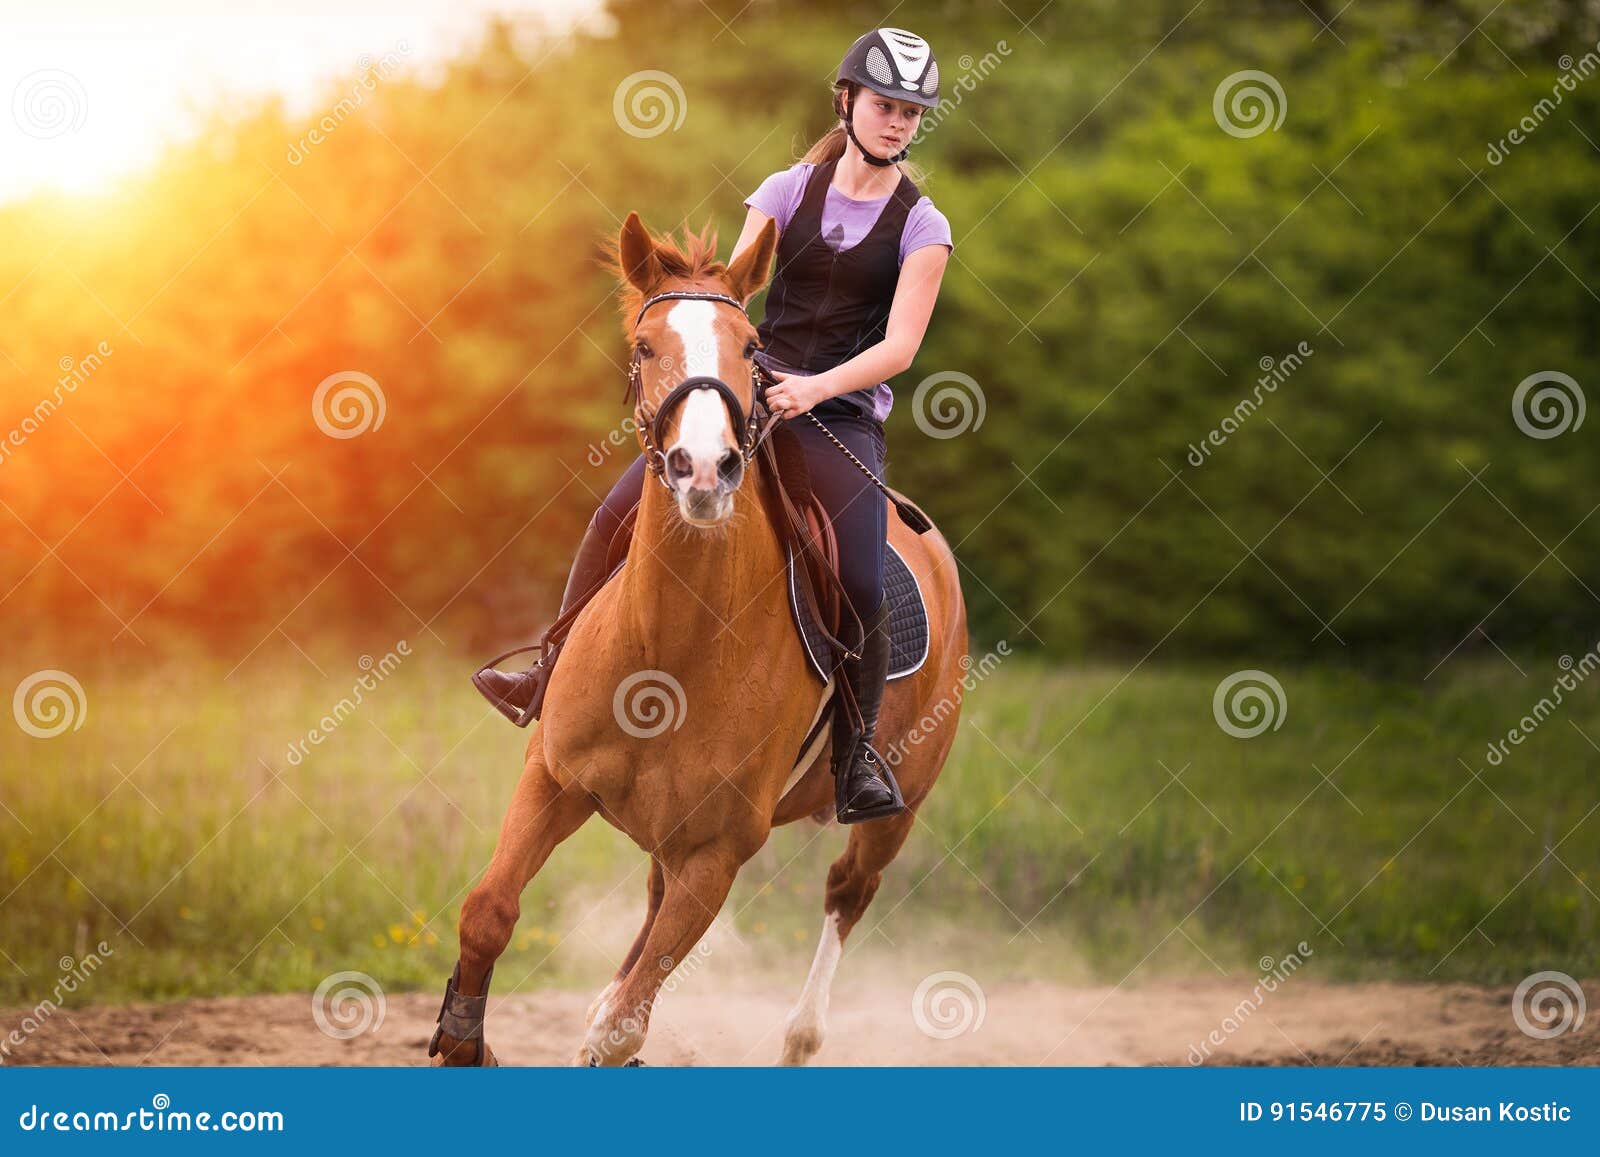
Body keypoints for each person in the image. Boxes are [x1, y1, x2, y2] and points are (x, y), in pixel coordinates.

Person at [475, 27, 953, 824]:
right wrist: (746, 384)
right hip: (750, 401)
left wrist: (816, 386)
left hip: (841, 420)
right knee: (611, 514)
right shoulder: (783, 193)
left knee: (865, 580)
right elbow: (730, 298)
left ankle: (856, 754)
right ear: (848, 101)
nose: (898, 123)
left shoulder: (922, 226)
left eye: (912, 112)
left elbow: (901, 346)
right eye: (885, 105)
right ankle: (546, 672)